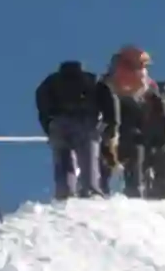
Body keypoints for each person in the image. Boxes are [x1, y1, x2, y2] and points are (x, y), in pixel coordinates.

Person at [34, 60, 120, 201]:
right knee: (88, 158)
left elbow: (42, 104)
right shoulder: (93, 79)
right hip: (86, 123)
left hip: (59, 123)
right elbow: (110, 101)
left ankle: (64, 192)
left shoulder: (50, 82)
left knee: (62, 159)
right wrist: (111, 125)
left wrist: (48, 126)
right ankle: (90, 190)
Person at [104, 45, 165, 200]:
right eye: (140, 65)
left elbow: (158, 115)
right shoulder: (110, 85)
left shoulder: (149, 88)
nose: (143, 70)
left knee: (157, 157)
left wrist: (163, 139)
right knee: (135, 155)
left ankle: (158, 195)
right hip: (118, 137)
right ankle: (135, 192)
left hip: (141, 136)